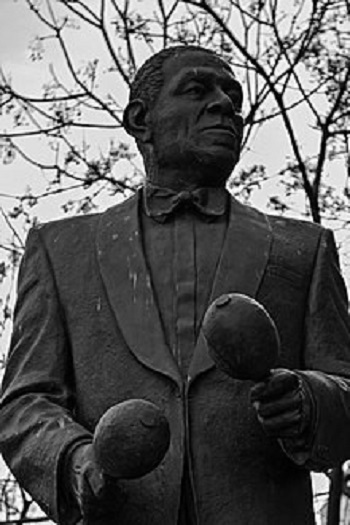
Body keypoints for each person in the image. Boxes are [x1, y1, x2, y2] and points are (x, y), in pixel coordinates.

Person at [1, 45, 350, 525]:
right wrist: (78, 462)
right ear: (141, 119)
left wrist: (311, 401)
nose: (225, 104)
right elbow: (25, 401)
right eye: (197, 89)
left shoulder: (306, 248)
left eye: (232, 96)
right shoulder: (61, 251)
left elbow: (345, 383)